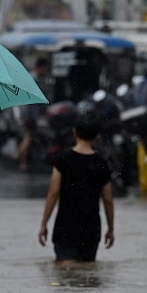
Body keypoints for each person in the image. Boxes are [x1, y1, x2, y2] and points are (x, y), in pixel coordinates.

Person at [38, 111, 115, 265]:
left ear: (75, 133)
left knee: (66, 275)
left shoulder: (63, 159)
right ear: (97, 136)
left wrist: (44, 224)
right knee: (87, 276)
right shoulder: (100, 163)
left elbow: (53, 193)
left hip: (66, 227)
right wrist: (111, 229)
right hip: (91, 229)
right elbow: (108, 199)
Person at [16, 57, 50, 171]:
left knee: (28, 137)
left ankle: (19, 156)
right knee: (28, 137)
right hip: (29, 113)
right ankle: (22, 160)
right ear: (41, 67)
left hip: (27, 111)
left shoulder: (30, 77)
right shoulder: (34, 79)